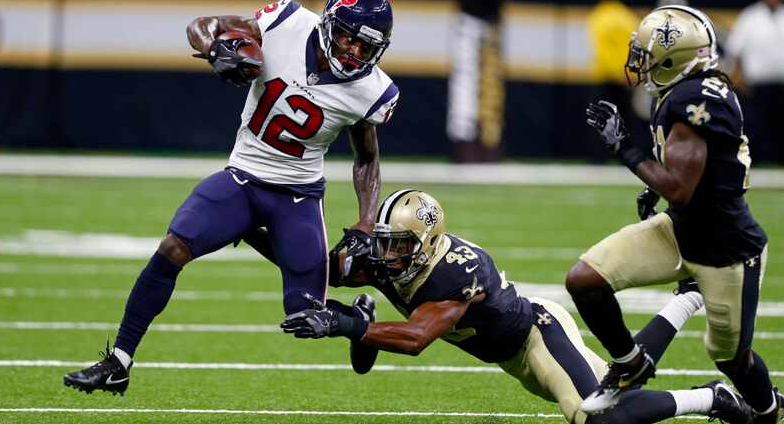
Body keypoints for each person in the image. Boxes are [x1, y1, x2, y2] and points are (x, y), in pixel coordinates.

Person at [63, 0, 400, 395]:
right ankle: (119, 362)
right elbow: (203, 25)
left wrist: (366, 222)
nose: (353, 51)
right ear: (330, 25)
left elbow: (367, 157)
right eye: (348, 37)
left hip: (297, 197)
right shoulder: (287, 21)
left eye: (366, 47)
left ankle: (358, 322)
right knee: (173, 248)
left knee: (304, 313)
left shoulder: (372, 91)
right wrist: (213, 50)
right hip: (241, 178)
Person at [282, 189, 755, 424]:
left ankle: (711, 394)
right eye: (385, 243)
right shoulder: (395, 259)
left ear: (424, 244)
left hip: (536, 337)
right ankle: (690, 303)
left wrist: (345, 323)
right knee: (618, 396)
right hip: (511, 356)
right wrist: (260, 224)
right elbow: (312, 267)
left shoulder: (455, 273)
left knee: (599, 417)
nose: (385, 255)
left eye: (397, 244)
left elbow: (416, 338)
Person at [567, 5, 782, 422]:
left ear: (673, 59)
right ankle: (631, 363)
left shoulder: (691, 100)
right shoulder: (688, 89)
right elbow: (691, 177)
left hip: (726, 250)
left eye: (646, 54)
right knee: (585, 279)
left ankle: (768, 410)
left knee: (731, 359)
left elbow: (682, 189)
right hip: (682, 231)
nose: (639, 63)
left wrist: (624, 149)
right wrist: (654, 184)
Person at [726, 0, 784, 164]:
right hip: (757, 84)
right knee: (758, 124)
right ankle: (758, 159)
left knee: (781, 124)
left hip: (782, 83)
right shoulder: (750, 17)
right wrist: (738, 77)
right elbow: (736, 50)